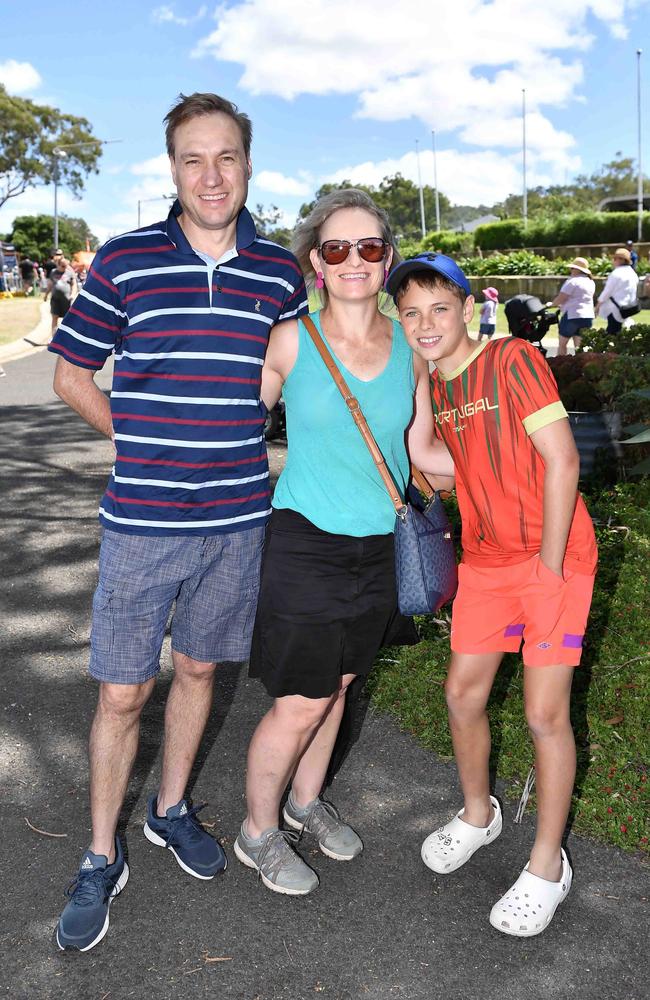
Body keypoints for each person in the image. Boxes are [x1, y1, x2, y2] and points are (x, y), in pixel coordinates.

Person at [49, 91, 308, 952]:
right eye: (193, 158)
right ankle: (98, 856)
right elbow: (71, 374)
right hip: (141, 523)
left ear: (246, 165)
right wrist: (140, 439)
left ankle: (167, 810)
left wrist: (257, 414)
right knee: (125, 690)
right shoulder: (124, 261)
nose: (211, 174)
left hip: (239, 518)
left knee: (199, 671)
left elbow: (294, 365)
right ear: (172, 168)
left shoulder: (278, 270)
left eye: (226, 157)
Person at [234, 192, 454, 896]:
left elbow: (420, 447)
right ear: (316, 264)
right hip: (305, 541)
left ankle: (305, 802)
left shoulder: (409, 356)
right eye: (336, 249)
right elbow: (237, 422)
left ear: (386, 258)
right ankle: (258, 832)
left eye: (368, 248)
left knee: (343, 685)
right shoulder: (292, 339)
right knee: (301, 698)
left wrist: (517, 461)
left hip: (380, 547)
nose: (354, 260)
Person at [386, 253, 597, 937]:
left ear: (466, 306)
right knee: (462, 694)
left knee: (543, 715)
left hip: (552, 557)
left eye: (438, 309)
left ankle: (546, 866)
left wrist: (548, 564)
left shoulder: (509, 359)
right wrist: (420, 387)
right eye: (411, 312)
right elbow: (442, 463)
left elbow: (562, 459)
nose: (425, 323)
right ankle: (479, 813)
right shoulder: (443, 386)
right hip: (483, 563)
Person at [551, 257, 595, 355]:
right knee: (580, 347)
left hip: (572, 316)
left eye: (572, 268)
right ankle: (581, 367)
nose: (570, 270)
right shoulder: (590, 282)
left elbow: (561, 298)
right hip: (587, 316)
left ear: (577, 270)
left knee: (562, 344)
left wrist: (552, 304)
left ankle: (561, 366)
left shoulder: (572, 281)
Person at [596, 248, 639, 336]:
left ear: (621, 260)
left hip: (615, 309)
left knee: (612, 334)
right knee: (621, 335)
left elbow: (607, 292)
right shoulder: (632, 273)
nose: (613, 261)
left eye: (615, 258)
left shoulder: (616, 273)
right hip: (627, 309)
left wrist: (597, 306)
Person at [47, 254, 77, 338]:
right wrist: (46, 295)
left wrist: (73, 294)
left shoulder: (69, 273)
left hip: (66, 300)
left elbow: (74, 285)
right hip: (55, 299)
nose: (64, 267)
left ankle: (67, 337)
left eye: (65, 266)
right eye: (62, 266)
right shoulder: (53, 272)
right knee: (54, 317)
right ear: (58, 264)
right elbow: (50, 284)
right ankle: (54, 337)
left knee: (67, 319)